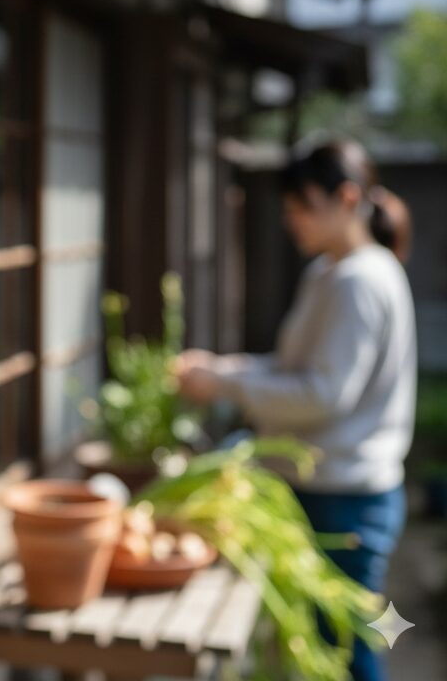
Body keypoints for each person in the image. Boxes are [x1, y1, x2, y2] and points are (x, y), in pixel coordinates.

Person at [175, 140, 416, 681]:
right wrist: (225, 369)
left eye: (301, 206)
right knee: (339, 638)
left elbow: (321, 395)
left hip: (346, 499)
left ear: (347, 198)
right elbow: (293, 370)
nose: (291, 220)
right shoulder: (332, 272)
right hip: (333, 490)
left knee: (350, 647)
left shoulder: (359, 280)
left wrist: (223, 385)